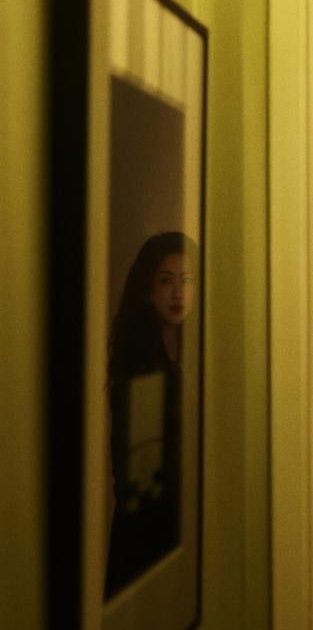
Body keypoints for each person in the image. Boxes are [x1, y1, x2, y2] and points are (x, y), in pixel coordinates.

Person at [105, 232, 197, 597]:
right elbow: (131, 465)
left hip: (190, 522)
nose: (178, 294)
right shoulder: (138, 360)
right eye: (166, 281)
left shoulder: (202, 351)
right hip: (147, 529)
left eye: (186, 281)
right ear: (149, 287)